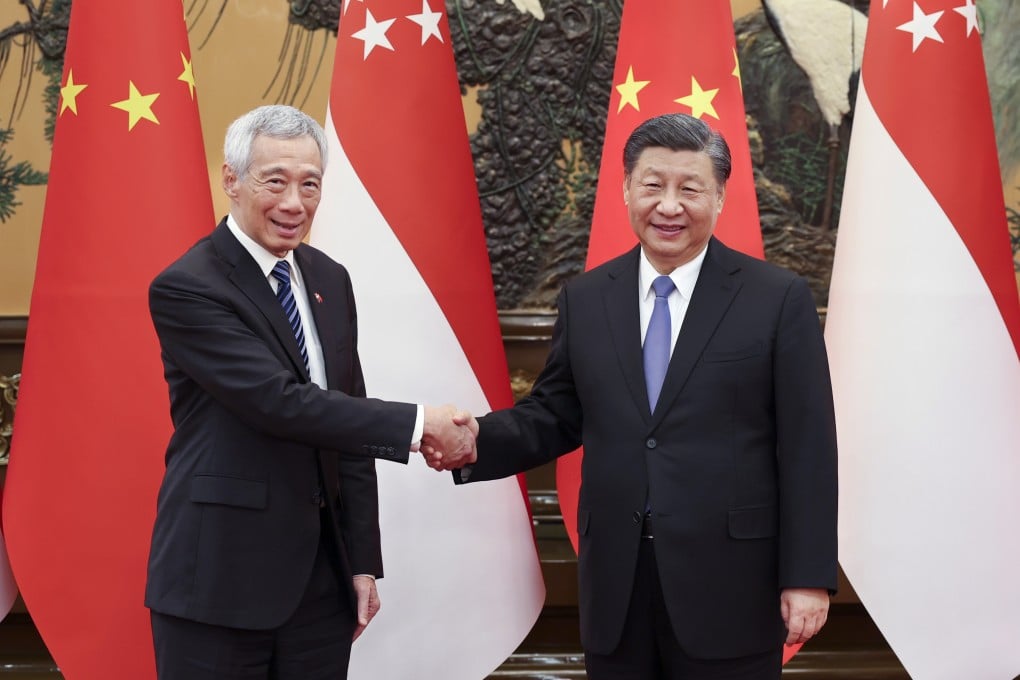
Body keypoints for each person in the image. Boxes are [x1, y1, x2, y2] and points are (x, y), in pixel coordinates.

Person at [427, 113, 838, 679]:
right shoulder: (588, 298)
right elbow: (554, 415)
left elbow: (808, 446)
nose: (669, 206)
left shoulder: (776, 298)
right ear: (626, 191)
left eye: (689, 189)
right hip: (617, 588)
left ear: (719, 196)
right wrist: (475, 439)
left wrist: (808, 575)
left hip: (732, 585)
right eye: (652, 186)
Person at [145, 104, 475, 680]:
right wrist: (421, 424)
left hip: (320, 588)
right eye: (274, 181)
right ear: (231, 180)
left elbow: (343, 420)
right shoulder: (187, 287)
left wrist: (362, 562)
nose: (294, 203)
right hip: (219, 582)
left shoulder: (328, 277)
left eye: (310, 184)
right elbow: (280, 403)